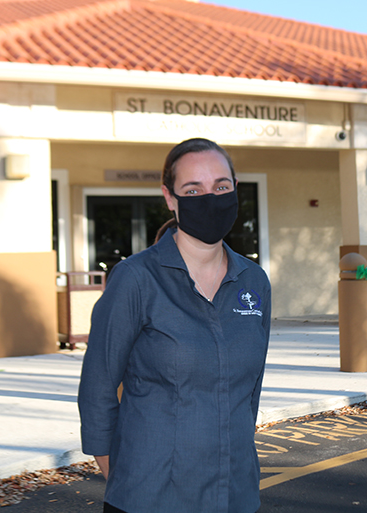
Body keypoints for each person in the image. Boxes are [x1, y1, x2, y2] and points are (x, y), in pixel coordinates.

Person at [78, 138, 271, 513]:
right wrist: (120, 476)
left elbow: (251, 391)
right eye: (193, 189)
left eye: (221, 186)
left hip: (235, 493)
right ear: (170, 198)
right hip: (150, 495)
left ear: (235, 187)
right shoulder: (135, 279)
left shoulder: (255, 281)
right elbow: (98, 386)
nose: (210, 198)